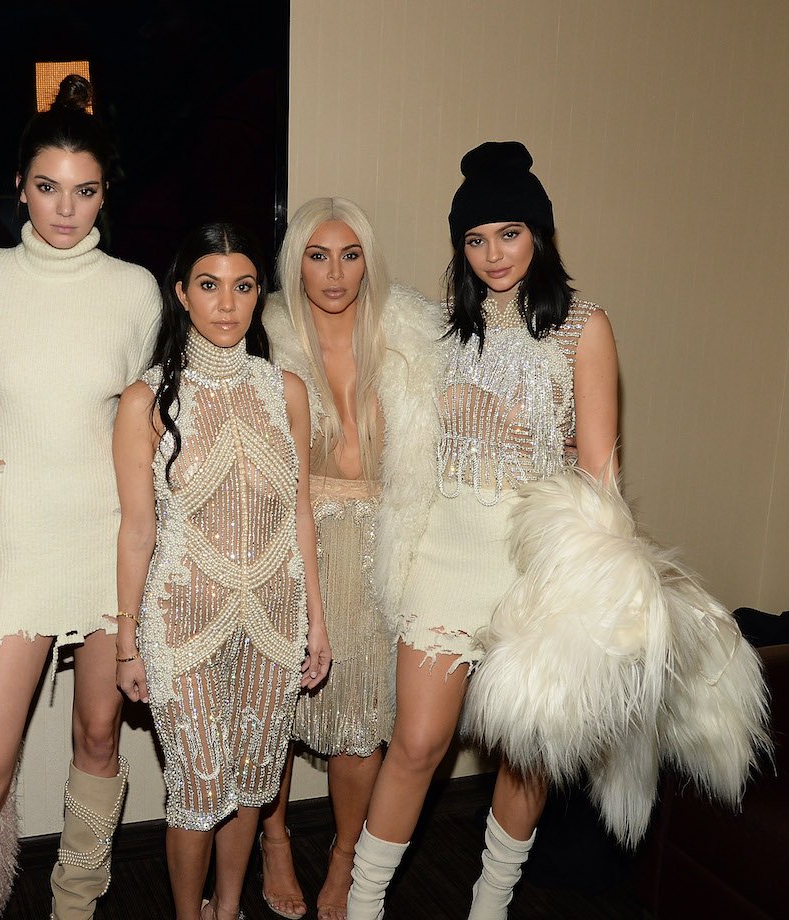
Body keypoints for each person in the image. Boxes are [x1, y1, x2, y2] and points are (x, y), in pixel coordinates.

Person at [346, 141, 620, 920]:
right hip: (444, 556)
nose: (493, 254)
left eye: (509, 232)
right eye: (475, 238)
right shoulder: (438, 333)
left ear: (540, 233)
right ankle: (364, 906)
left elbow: (599, 477)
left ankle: (489, 907)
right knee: (418, 745)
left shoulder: (582, 328)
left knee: (527, 754)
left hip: (532, 566)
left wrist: (590, 586)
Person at [0, 75, 162, 920]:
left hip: (107, 544)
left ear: (107, 193)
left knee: (100, 739)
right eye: (49, 188)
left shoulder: (135, 292)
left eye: (86, 190)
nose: (67, 209)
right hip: (18, 547)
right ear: (21, 187)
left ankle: (77, 907)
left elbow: (143, 435)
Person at [113, 221, 332, 920]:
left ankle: (230, 906)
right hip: (182, 622)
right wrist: (126, 641)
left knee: (252, 782)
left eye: (243, 287)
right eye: (209, 286)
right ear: (182, 294)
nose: (227, 304)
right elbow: (137, 528)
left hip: (274, 617)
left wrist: (316, 626)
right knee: (199, 786)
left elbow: (300, 513)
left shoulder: (285, 391)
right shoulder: (145, 402)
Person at [257, 197, 442, 920]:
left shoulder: (411, 340)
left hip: (379, 547)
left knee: (363, 721)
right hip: (287, 540)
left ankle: (344, 860)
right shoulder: (264, 335)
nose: (335, 273)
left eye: (350, 254)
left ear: (369, 261)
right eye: (317, 255)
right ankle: (273, 838)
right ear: (294, 262)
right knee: (270, 708)